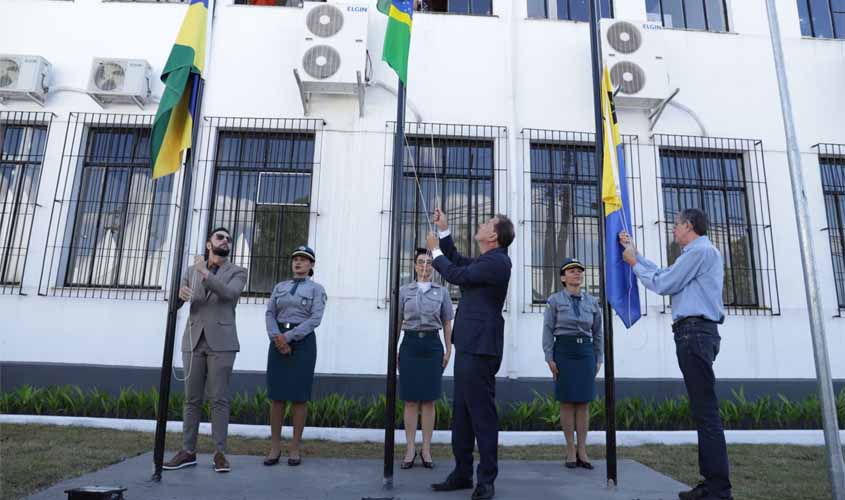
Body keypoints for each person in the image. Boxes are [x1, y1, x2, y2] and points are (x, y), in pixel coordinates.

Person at [620, 208, 732, 500]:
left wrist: (634, 264)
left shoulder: (700, 252)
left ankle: (719, 489)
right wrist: (636, 256)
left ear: (689, 226)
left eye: (676, 225)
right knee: (702, 411)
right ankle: (711, 484)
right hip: (695, 334)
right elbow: (665, 275)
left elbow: (664, 283)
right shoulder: (695, 255)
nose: (673, 230)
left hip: (695, 333)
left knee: (706, 413)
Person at [427, 208, 514, 500]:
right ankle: (462, 473)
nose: (482, 223)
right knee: (462, 414)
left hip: (480, 347)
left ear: (495, 236)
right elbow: (461, 263)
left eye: (488, 223)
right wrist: (444, 232)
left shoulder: (498, 263)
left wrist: (435, 253)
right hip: (469, 345)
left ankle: (486, 480)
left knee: (482, 415)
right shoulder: (487, 260)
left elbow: (456, 273)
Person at [163, 227, 247, 473]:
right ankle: (188, 451)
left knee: (219, 399)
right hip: (193, 340)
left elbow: (229, 294)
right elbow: (176, 303)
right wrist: (179, 295)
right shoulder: (190, 271)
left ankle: (220, 453)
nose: (226, 241)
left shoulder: (238, 272)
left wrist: (204, 271)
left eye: (229, 239)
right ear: (209, 243)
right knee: (191, 399)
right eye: (220, 237)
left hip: (222, 341)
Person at [263, 245, 326, 467]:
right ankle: (275, 447)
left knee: (299, 396)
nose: (298, 262)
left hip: (303, 343)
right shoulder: (280, 287)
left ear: (311, 265)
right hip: (278, 341)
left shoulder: (317, 289)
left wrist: (288, 337)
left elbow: (315, 318)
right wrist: (276, 337)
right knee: (277, 396)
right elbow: (270, 313)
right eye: (295, 259)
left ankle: (295, 447)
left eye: (303, 259)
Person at [542, 258, 603, 470]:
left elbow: (597, 333)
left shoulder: (592, 302)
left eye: (579, 271)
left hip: (585, 352)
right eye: (571, 271)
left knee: (584, 402)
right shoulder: (555, 301)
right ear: (563, 277)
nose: (576, 274)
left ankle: (582, 451)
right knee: (567, 401)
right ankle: (570, 450)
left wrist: (598, 357)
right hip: (564, 352)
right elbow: (548, 330)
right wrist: (549, 357)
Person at [398, 248, 454, 470]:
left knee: (430, 399)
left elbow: (447, 322)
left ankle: (426, 449)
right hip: (410, 345)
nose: (425, 266)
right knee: (411, 399)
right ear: (414, 265)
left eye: (429, 263)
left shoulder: (442, 292)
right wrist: (394, 349)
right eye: (421, 262)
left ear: (433, 267)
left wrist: (449, 349)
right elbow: (397, 321)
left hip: (432, 346)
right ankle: (410, 448)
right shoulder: (404, 291)